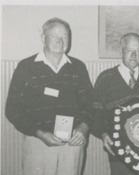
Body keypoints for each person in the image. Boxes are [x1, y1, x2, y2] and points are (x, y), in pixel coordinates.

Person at [5, 17, 93, 175]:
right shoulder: (26, 67)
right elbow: (13, 109)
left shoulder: (78, 67)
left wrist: (83, 128)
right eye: (55, 36)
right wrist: (39, 133)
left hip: (73, 144)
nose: (60, 40)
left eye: (64, 36)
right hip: (38, 143)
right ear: (43, 38)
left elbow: (91, 104)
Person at [91, 33, 139, 175]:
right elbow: (95, 115)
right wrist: (103, 134)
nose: (133, 55)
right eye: (129, 50)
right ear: (121, 51)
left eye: (138, 51)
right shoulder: (105, 79)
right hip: (119, 151)